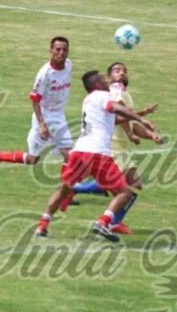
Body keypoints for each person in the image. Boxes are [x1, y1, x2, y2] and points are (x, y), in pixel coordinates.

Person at [34, 70, 159, 243]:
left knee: (64, 189)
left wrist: (141, 114)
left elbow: (113, 120)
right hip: (98, 153)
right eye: (103, 79)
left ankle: (42, 226)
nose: (107, 81)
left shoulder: (89, 100)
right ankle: (103, 221)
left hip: (79, 151)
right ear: (98, 84)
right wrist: (140, 118)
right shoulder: (103, 96)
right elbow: (114, 107)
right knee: (125, 192)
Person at [67, 62, 163, 235]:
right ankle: (77, 191)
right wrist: (132, 133)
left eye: (125, 70)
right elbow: (120, 115)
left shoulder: (124, 93)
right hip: (112, 146)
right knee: (121, 185)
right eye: (117, 71)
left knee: (132, 185)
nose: (122, 73)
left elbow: (129, 121)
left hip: (120, 148)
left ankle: (113, 221)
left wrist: (150, 135)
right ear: (109, 77)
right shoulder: (115, 90)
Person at [0, 37, 72, 175]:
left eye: (64, 50)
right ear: (51, 50)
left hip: (59, 115)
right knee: (33, 159)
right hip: (45, 116)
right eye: (58, 49)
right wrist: (42, 124)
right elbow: (35, 100)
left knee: (69, 155)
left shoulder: (68, 65)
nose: (61, 53)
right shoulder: (44, 74)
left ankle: (65, 189)